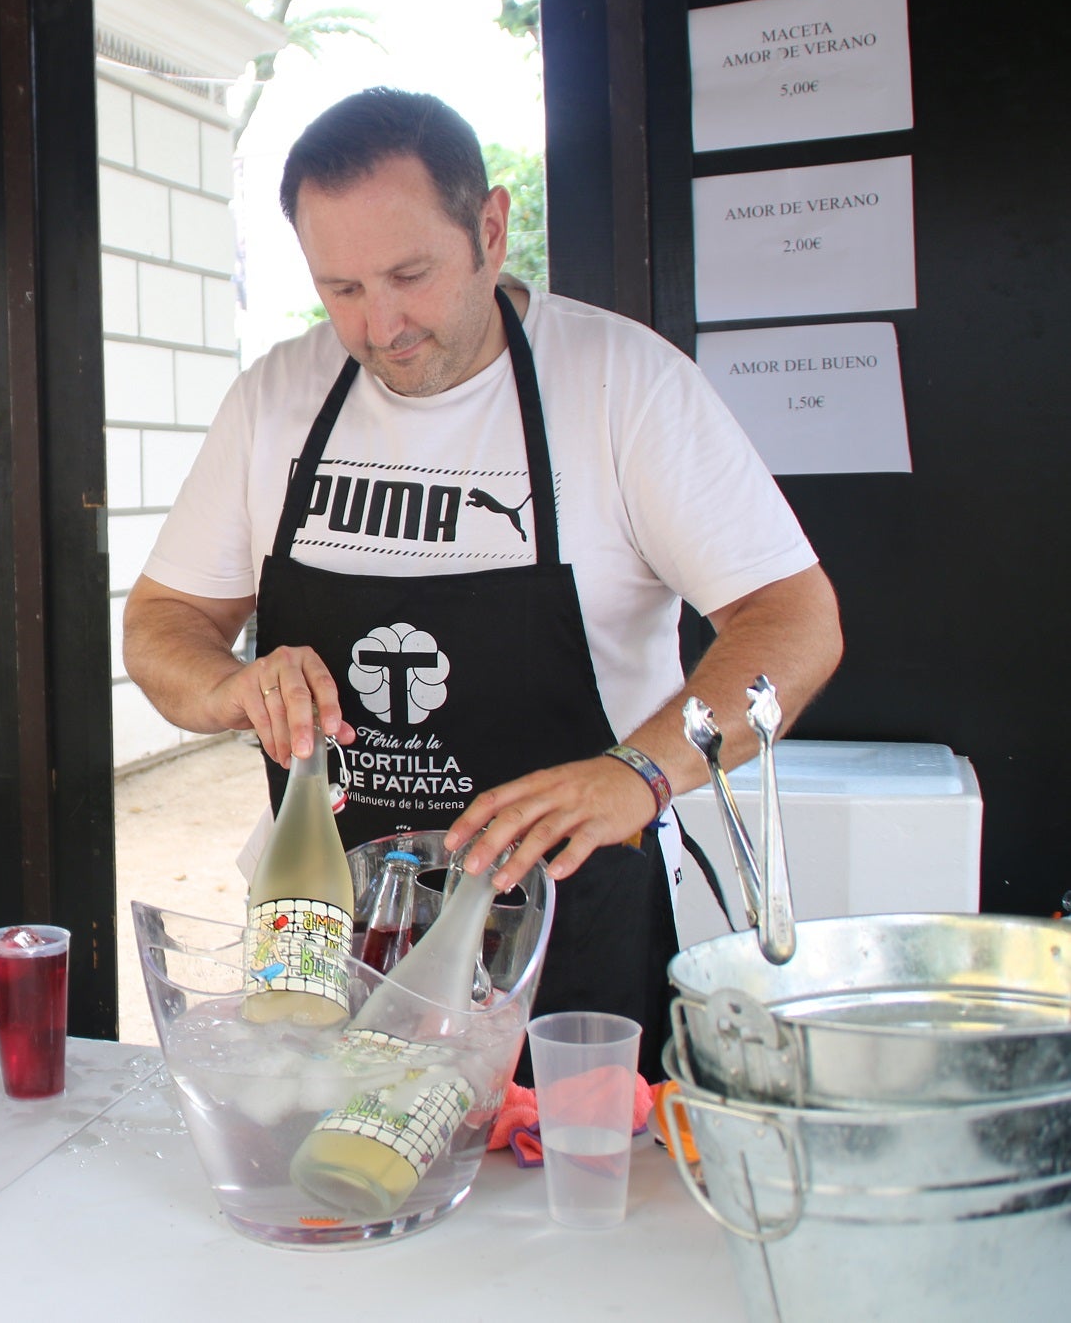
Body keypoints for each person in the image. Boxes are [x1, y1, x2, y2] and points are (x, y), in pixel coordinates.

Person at [121, 88, 841, 1076]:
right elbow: (163, 621)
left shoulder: (621, 385)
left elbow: (793, 619)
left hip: (566, 928)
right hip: (329, 924)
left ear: (489, 227)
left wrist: (635, 771)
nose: (378, 325)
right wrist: (227, 685)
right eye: (339, 289)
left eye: (407, 275)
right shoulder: (274, 401)